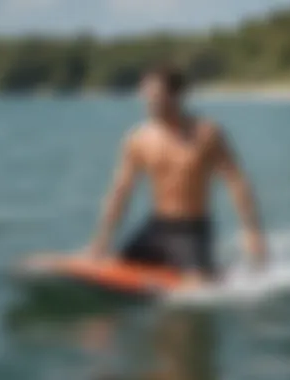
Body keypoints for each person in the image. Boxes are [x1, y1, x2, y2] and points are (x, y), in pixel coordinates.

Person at [90, 64, 267, 288]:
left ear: (176, 95)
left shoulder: (207, 134)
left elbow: (236, 182)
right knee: (109, 274)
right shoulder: (138, 139)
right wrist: (102, 240)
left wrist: (252, 232)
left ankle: (213, 271)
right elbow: (120, 191)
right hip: (156, 227)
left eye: (156, 95)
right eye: (146, 94)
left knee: (196, 292)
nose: (149, 101)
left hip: (191, 230)